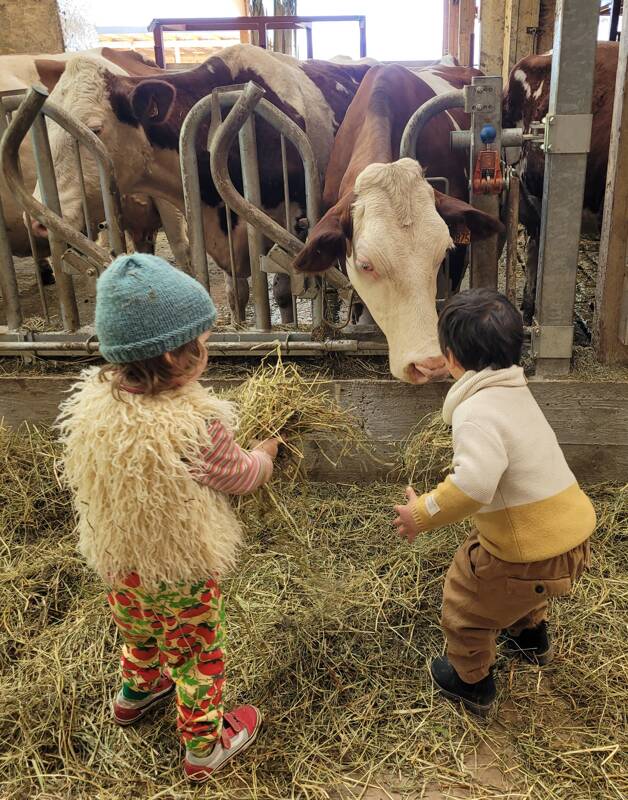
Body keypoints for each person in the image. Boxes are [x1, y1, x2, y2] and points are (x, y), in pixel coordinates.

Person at [57, 254, 279, 781]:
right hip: (180, 569)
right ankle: (204, 746)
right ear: (174, 356)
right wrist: (267, 455)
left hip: (120, 561)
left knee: (138, 629)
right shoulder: (196, 423)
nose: (206, 350)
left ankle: (135, 693)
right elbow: (241, 476)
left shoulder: (92, 408)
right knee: (196, 651)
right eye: (199, 342)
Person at [393, 289, 596, 716]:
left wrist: (421, 513)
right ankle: (528, 637)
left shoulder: (476, 413)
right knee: (509, 571)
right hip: (572, 540)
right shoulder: (516, 393)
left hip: (529, 555)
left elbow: (474, 487)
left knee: (467, 595)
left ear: (450, 358)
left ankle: (471, 682)